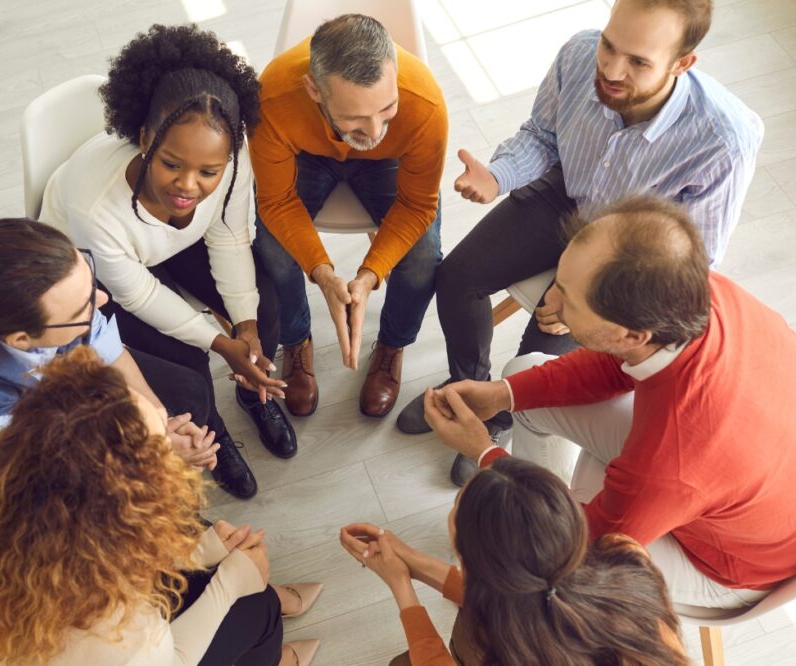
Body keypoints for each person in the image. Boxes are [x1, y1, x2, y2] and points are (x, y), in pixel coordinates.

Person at [396, 0, 764, 486]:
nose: (611, 69)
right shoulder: (578, 54)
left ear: (682, 64)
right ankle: (471, 387)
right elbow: (544, 137)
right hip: (564, 193)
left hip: (628, 253)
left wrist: (580, 292)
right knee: (457, 276)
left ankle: (500, 416)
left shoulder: (724, 140)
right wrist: (498, 174)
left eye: (638, 62)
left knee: (536, 358)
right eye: (610, 45)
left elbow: (688, 262)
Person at [424, 195, 796, 610]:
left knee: (546, 573)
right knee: (523, 371)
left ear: (631, 334)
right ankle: (539, 497)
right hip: (739, 478)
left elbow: (583, 544)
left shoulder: (669, 463)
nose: (550, 303)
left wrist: (483, 450)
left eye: (568, 300)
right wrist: (502, 395)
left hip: (732, 565)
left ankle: (535, 507)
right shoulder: (697, 292)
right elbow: (616, 364)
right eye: (560, 284)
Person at [0, 346, 322, 666]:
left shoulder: (16, 515)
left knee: (200, 554)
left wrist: (201, 552)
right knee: (257, 608)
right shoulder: (108, 628)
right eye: (157, 454)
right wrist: (229, 584)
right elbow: (173, 659)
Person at [42, 24, 295, 500]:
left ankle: (251, 390)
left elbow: (229, 235)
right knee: (186, 373)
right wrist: (220, 343)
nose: (188, 186)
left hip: (172, 245)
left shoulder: (234, 157)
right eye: (172, 163)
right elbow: (136, 292)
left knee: (264, 312)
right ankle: (212, 434)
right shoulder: (94, 206)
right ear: (144, 138)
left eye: (208, 172)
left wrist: (244, 326)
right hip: (99, 274)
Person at [0, 219, 217, 521]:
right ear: (21, 339)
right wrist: (160, 456)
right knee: (121, 515)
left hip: (19, 406)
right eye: (83, 307)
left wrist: (155, 417)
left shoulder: (6, 254)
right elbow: (69, 480)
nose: (102, 301)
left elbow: (99, 337)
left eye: (89, 281)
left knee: (186, 393)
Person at [249, 13, 447, 418]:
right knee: (271, 242)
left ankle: (392, 345)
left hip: (388, 163)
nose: (374, 130)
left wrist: (370, 273)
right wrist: (322, 271)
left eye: (387, 108)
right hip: (306, 155)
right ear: (314, 90)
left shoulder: (425, 105)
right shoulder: (272, 97)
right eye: (356, 117)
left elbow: (418, 205)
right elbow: (276, 201)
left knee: (424, 253)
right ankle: (296, 340)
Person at [340, 456, 689, 665]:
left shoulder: (504, 649)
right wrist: (408, 559)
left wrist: (402, 590)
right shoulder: (622, 554)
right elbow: (519, 593)